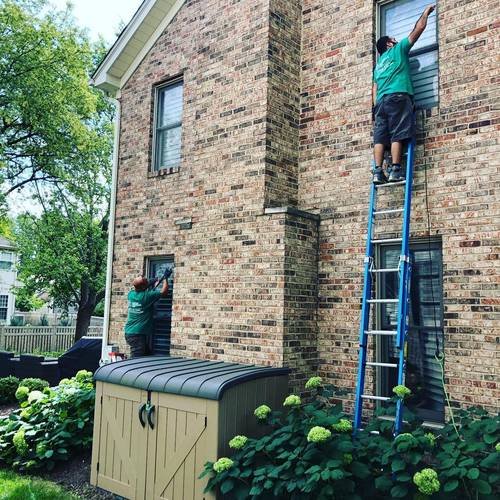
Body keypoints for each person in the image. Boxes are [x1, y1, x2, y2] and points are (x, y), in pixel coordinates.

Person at [372, 4, 435, 184]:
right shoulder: (398, 50)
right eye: (394, 39)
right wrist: (425, 12)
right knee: (397, 134)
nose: (397, 41)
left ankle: (377, 172)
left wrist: (375, 109)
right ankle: (395, 170)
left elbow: (374, 88)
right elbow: (419, 29)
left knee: (380, 138)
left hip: (381, 103)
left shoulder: (378, 66)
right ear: (389, 44)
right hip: (398, 97)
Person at [124, 272, 170, 357]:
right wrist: (166, 279)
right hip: (137, 335)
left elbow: (142, 287)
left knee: (147, 356)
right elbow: (164, 292)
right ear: (144, 286)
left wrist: (154, 281)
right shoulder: (147, 296)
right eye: (145, 279)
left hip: (130, 332)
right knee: (136, 360)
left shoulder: (131, 294)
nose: (146, 279)